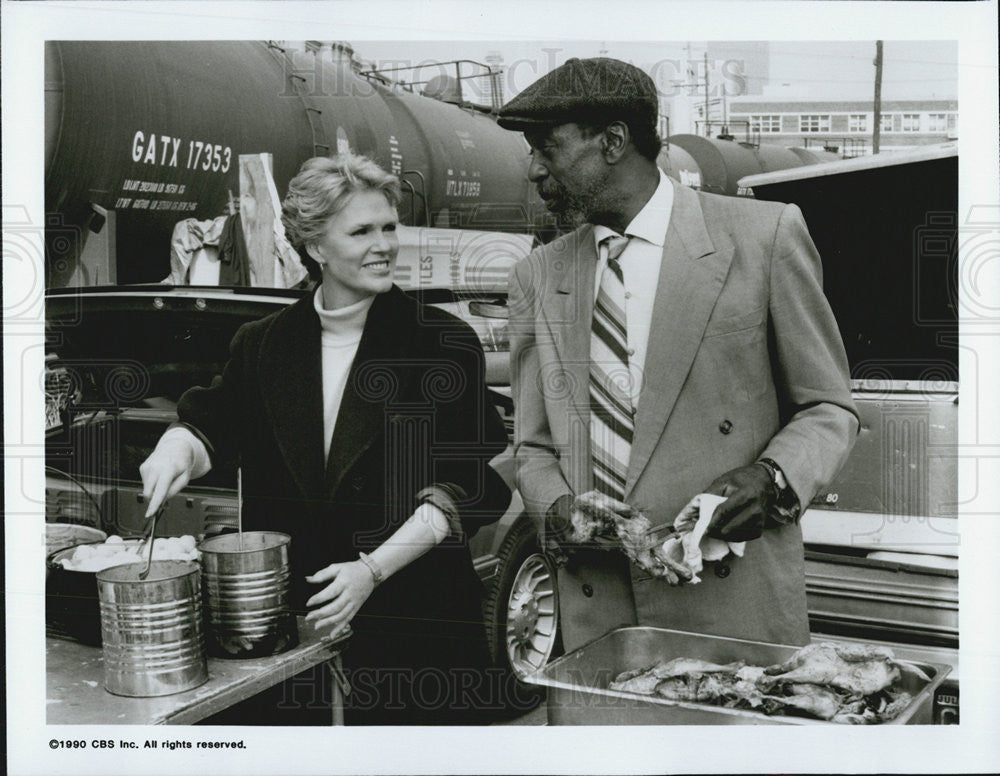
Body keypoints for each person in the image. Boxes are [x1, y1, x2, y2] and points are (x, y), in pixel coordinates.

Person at [498, 57, 860, 656]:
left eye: (548, 148)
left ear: (613, 141)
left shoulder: (764, 237)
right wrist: (556, 510)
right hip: (599, 619)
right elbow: (533, 445)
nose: (535, 169)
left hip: (731, 610)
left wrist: (769, 480)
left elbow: (828, 407)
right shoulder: (538, 275)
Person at [139, 153, 511, 725]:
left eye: (389, 227)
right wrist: (175, 449)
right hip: (293, 622)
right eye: (361, 231)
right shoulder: (263, 343)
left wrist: (372, 570)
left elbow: (467, 484)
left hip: (417, 624)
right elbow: (212, 423)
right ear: (315, 247)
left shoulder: (441, 342)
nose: (384, 244)